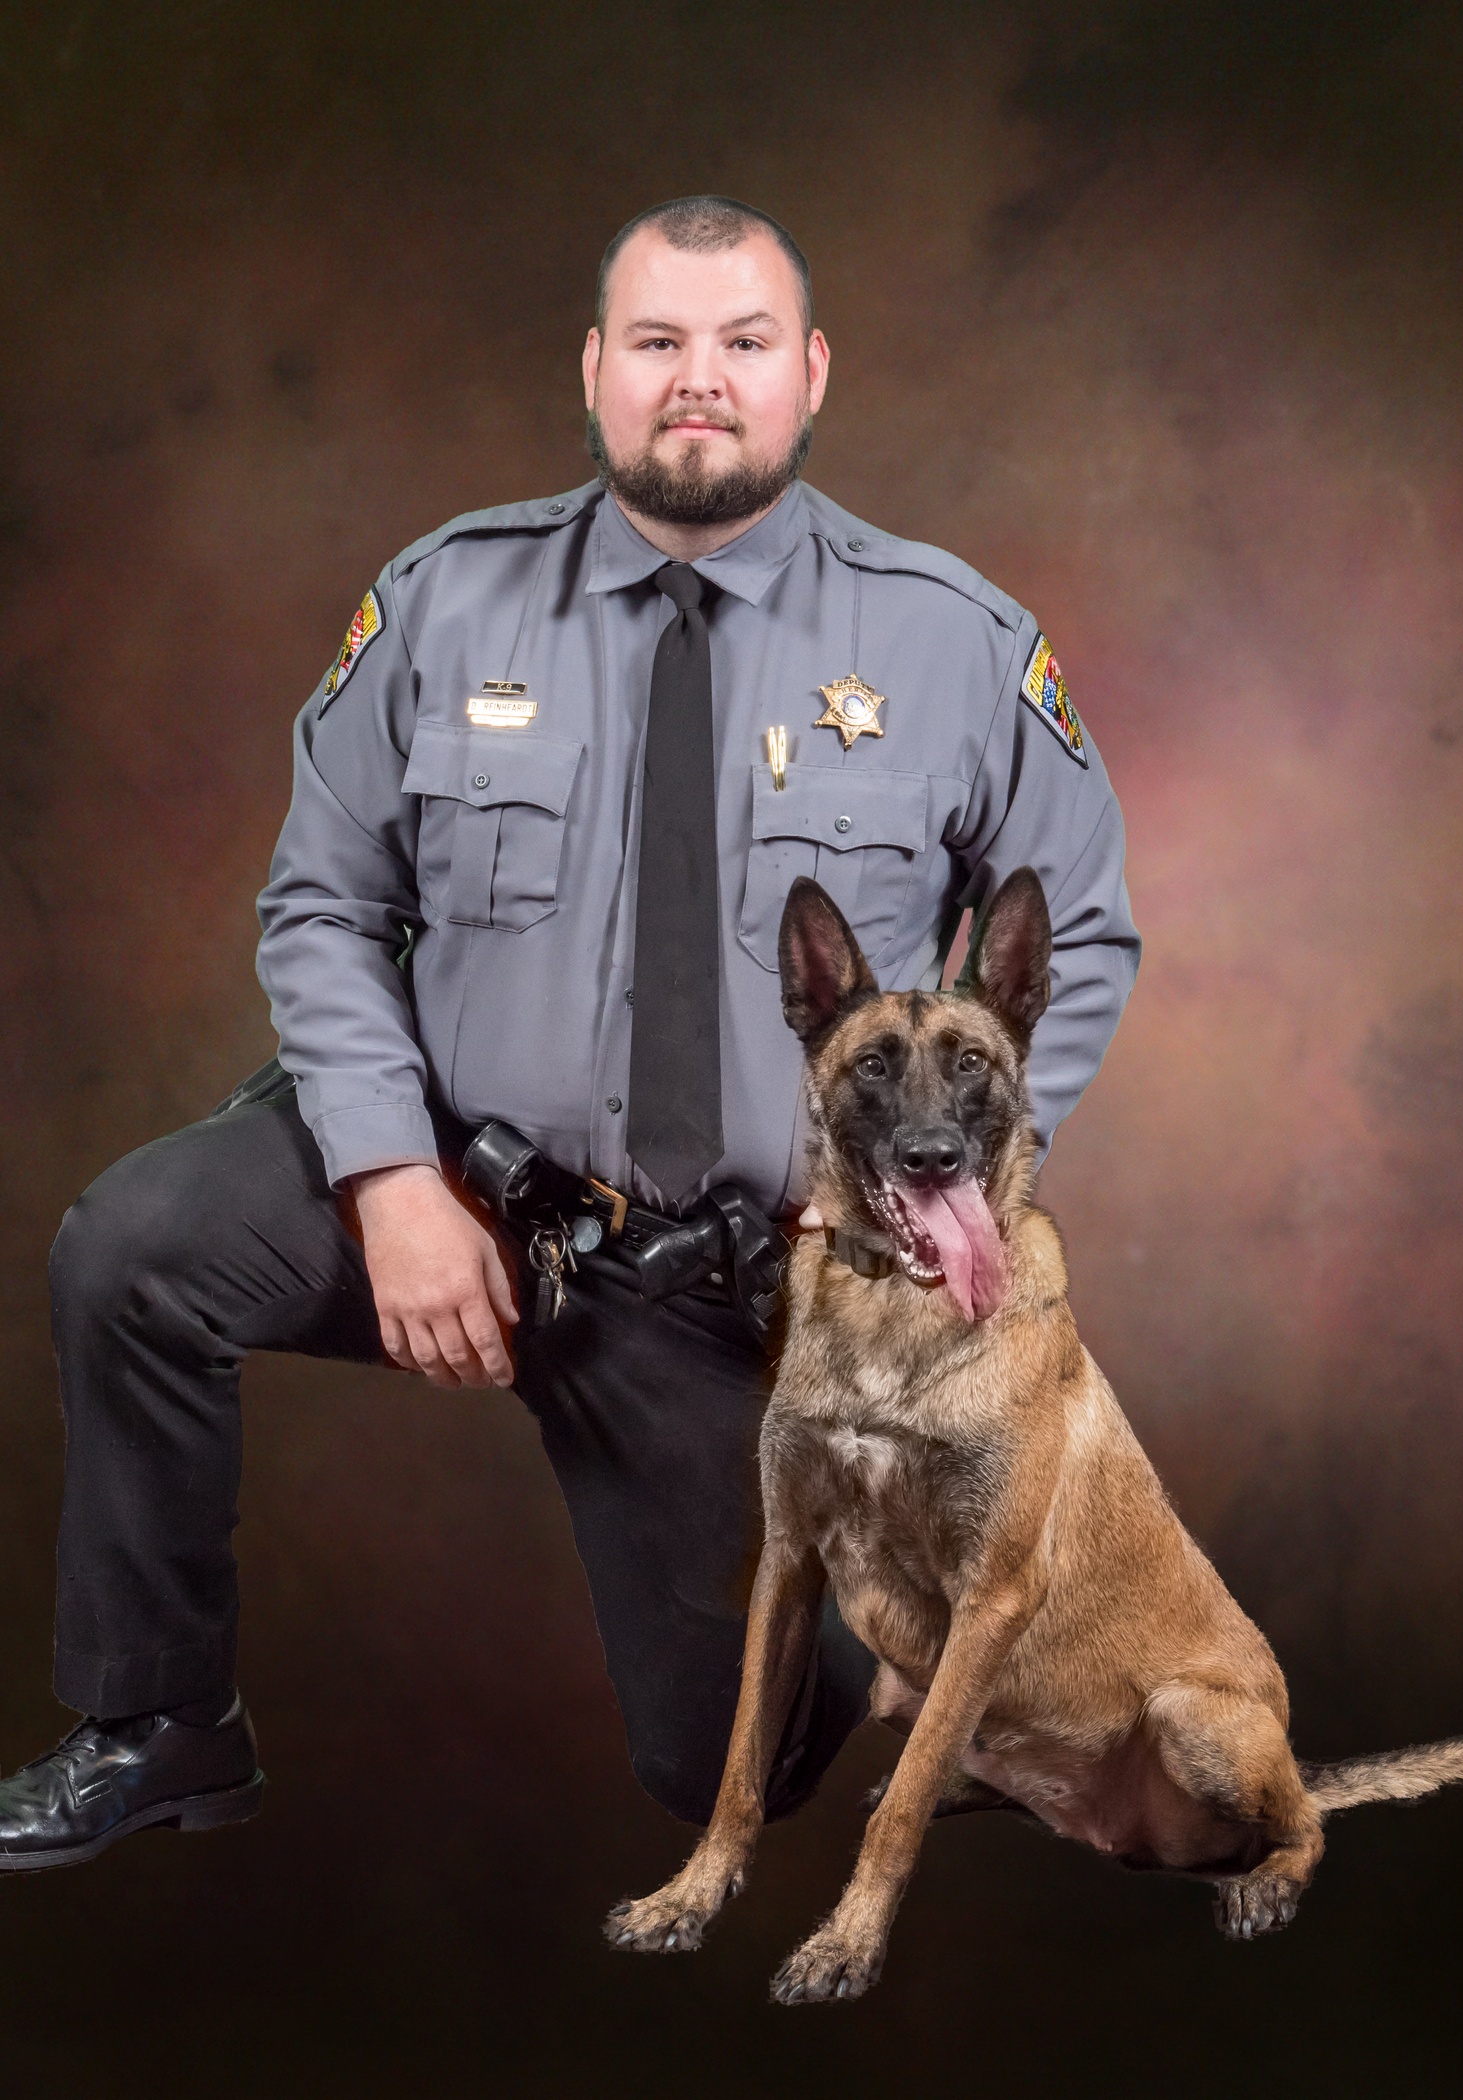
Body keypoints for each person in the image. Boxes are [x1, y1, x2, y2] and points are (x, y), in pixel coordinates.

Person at [0, 197, 1140, 1870]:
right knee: (129, 1250)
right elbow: (323, 906)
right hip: (449, 1173)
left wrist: (925, 1195)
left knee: (723, 1762)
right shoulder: (444, 601)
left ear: (809, 373)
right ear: (596, 371)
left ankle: (879, 1647)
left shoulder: (950, 639)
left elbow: (1083, 934)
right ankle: (159, 1722)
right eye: (660, 343)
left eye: (744, 343)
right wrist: (389, 1180)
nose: (702, 381)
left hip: (722, 1280)